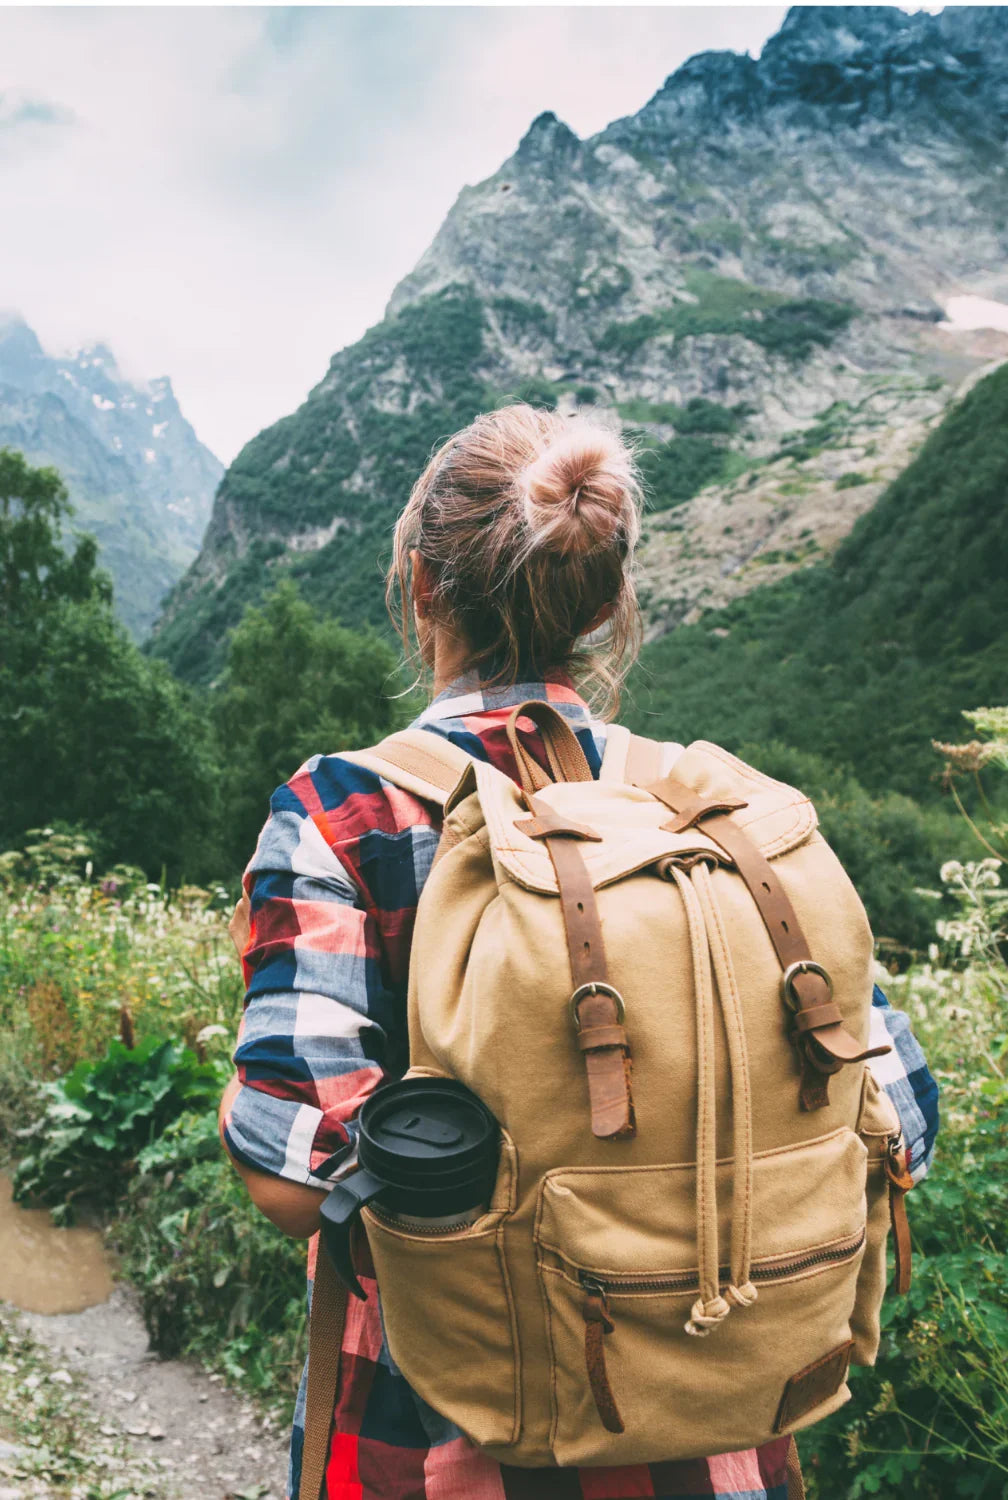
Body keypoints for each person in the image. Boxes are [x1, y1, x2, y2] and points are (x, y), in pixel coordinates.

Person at [219, 404, 939, 1500]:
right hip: (724, 1439)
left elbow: (284, 1172)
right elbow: (905, 1124)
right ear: (607, 603)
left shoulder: (349, 815)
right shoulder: (711, 815)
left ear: (421, 584)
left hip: (442, 1439)